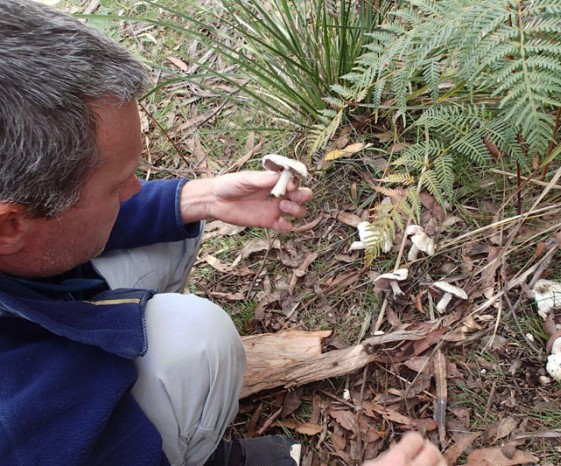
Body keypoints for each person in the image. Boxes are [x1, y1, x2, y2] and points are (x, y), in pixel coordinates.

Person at [0, 1, 447, 465]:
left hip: (32, 313)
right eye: (116, 187)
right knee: (199, 337)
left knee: (171, 232)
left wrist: (197, 200)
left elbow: (71, 220)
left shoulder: (16, 225)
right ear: (10, 225)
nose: (135, 190)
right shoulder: (16, 421)